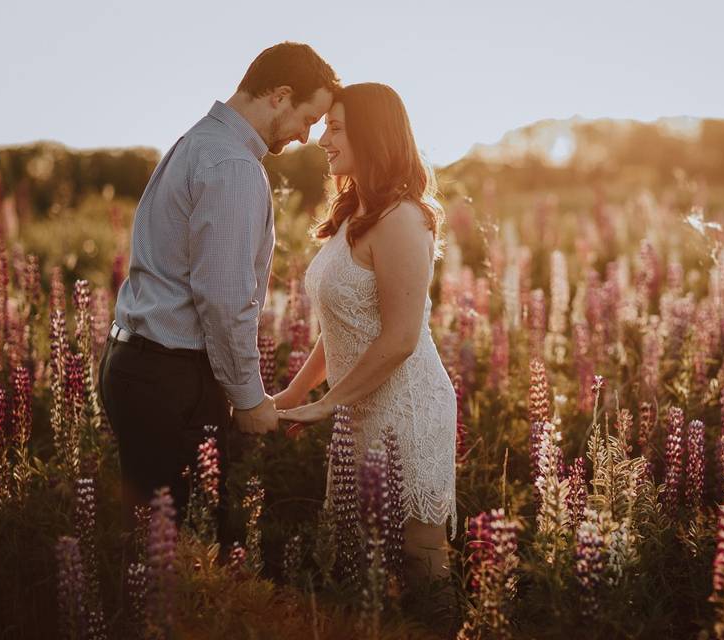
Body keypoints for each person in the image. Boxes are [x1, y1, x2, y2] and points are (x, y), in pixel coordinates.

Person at [97, 42, 340, 541]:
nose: (305, 136)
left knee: (151, 543)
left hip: (139, 365)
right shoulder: (231, 166)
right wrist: (249, 399)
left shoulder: (199, 142)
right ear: (279, 95)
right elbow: (223, 300)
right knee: (186, 551)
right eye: (308, 118)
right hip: (171, 376)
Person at [274, 82, 458, 584]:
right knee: (358, 558)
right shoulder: (355, 211)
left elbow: (400, 338)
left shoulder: (401, 218)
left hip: (407, 408)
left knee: (419, 559)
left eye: (335, 128)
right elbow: (343, 322)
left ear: (371, 134)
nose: (322, 139)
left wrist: (327, 403)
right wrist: (296, 392)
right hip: (358, 404)